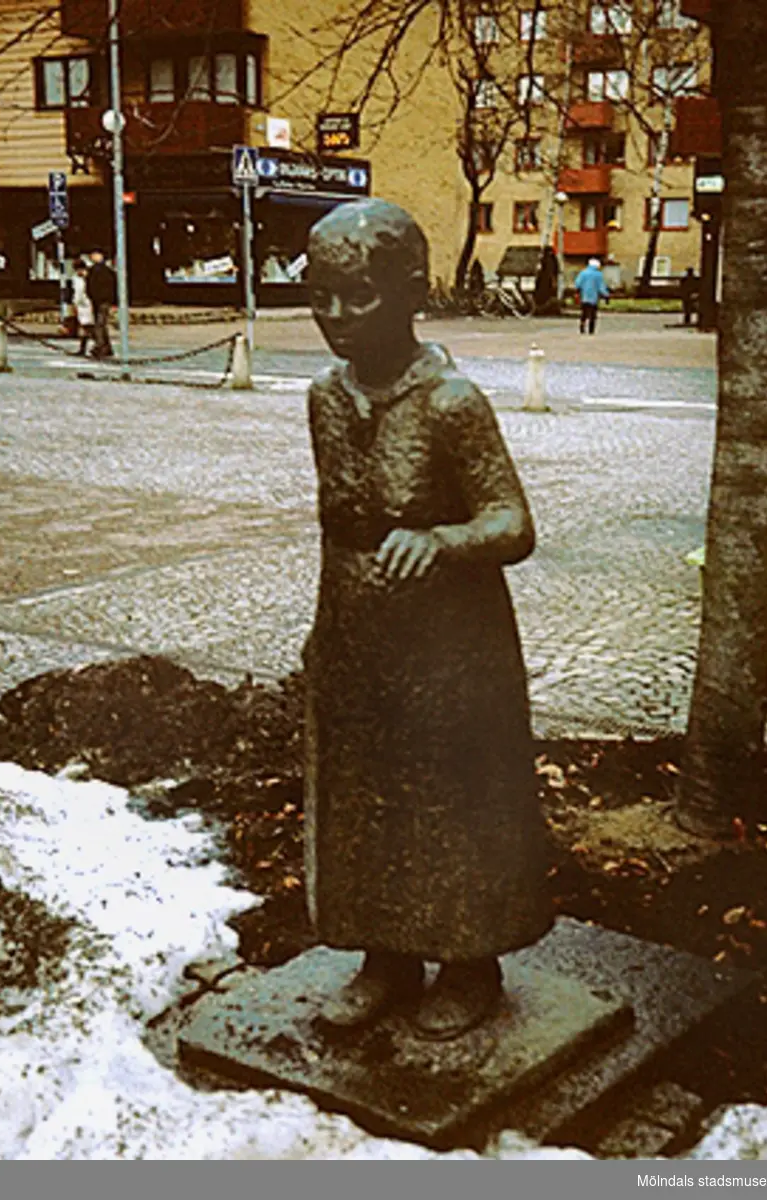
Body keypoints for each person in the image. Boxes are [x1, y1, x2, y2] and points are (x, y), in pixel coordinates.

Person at [303, 198, 552, 1042]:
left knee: (453, 795)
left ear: (409, 292)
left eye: (358, 297)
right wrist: (328, 634)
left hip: (452, 644)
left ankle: (469, 959)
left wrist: (443, 538)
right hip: (356, 634)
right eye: (321, 295)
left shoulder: (452, 403)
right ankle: (384, 957)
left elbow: (512, 525)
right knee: (364, 795)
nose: (335, 318)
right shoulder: (323, 398)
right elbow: (340, 525)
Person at [86, 249, 116, 358]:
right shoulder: (99, 270)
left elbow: (107, 287)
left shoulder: (101, 270)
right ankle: (106, 347)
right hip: (99, 300)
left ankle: (100, 346)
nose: (92, 256)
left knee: (99, 325)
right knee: (101, 324)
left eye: (94, 254)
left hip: (101, 300)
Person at [574, 256, 609, 335]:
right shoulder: (598, 275)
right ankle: (591, 329)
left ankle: (582, 325)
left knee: (584, 312)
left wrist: (577, 291)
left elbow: (578, 283)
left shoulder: (583, 273)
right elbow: (601, 286)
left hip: (584, 297)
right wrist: (606, 295)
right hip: (594, 298)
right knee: (593, 314)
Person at [71, 259, 94, 356]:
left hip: (89, 304)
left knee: (90, 327)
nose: (78, 272)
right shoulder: (75, 278)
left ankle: (98, 346)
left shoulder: (89, 277)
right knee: (83, 327)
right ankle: (82, 348)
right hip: (80, 305)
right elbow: (76, 291)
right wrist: (74, 303)